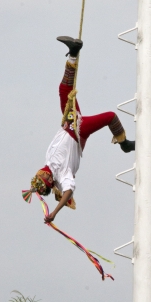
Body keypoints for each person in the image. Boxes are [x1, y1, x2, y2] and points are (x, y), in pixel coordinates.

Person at [27, 37, 135, 224]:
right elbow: (68, 191)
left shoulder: (50, 164)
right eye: (41, 177)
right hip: (78, 131)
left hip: (69, 124)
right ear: (48, 180)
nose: (39, 173)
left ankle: (74, 52)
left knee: (64, 90)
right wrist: (54, 213)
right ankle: (124, 143)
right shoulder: (62, 174)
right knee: (110, 116)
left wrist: (34, 190)